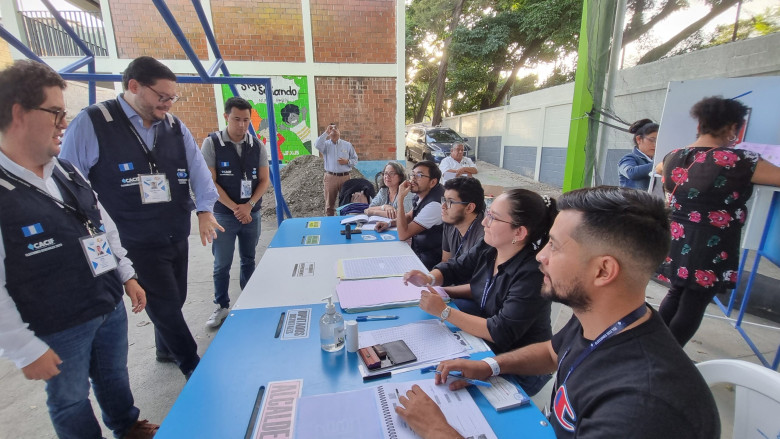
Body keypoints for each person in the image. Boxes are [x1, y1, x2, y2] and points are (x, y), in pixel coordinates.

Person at [395, 186, 720, 439]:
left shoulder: (641, 408)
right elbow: (553, 352)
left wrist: (437, 430)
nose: (541, 257)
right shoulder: (608, 318)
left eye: (555, 246)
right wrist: (489, 366)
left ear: (603, 270)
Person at [0, 60, 158, 438]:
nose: (64, 123)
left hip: (106, 305)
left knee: (114, 376)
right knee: (70, 399)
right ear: (19, 114)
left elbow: (103, 227)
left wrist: (127, 275)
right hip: (58, 326)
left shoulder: (65, 171)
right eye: (55, 112)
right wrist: (24, 349)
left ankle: (126, 426)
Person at [60, 56, 222, 379]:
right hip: (133, 239)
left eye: (172, 97)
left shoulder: (174, 127)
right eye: (162, 96)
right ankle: (195, 368)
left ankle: (165, 349)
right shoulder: (94, 123)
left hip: (175, 233)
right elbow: (68, 182)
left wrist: (205, 210)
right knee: (166, 307)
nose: (168, 103)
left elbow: (199, 171)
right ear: (134, 86)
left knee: (175, 298)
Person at [403, 189, 554, 395]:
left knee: (447, 388)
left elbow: (500, 331)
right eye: (487, 213)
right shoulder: (489, 245)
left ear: (519, 232)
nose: (484, 222)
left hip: (518, 363)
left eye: (493, 217)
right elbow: (457, 267)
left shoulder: (532, 274)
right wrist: (429, 278)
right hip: (486, 339)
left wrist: (444, 311)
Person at [656, 96, 780, 346]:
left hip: (678, 237)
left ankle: (652, 348)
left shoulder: (674, 156)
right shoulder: (740, 160)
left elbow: (659, 169)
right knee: (695, 301)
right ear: (733, 127)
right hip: (711, 243)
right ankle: (668, 357)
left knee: (676, 292)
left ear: (699, 124)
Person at [200, 97, 270, 328]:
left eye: (246, 120)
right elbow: (210, 182)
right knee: (222, 263)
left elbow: (264, 180)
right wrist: (235, 208)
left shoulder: (257, 145)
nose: (242, 125)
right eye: (236, 119)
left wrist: (249, 205)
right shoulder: (212, 144)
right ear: (226, 117)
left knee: (248, 259)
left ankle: (249, 301)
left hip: (251, 214)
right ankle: (221, 305)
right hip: (223, 215)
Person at [376, 161, 444, 270]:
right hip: (419, 253)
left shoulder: (434, 205)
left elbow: (403, 235)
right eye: (412, 174)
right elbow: (410, 216)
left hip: (428, 263)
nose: (413, 179)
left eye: (419, 175)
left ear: (432, 182)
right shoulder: (423, 194)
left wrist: (400, 198)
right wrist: (389, 223)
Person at [439, 177, 485, 263]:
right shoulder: (450, 223)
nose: (443, 206)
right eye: (444, 200)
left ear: (469, 208)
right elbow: (445, 261)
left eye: (450, 202)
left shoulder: (484, 238)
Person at [315, 123, 358, 216]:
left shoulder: (347, 145)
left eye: (336, 129)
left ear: (339, 132)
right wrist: (326, 132)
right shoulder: (325, 145)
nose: (334, 130)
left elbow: (355, 160)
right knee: (329, 204)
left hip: (345, 177)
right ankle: (330, 222)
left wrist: (347, 161)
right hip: (330, 177)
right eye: (331, 129)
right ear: (329, 133)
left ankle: (343, 221)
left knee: (345, 202)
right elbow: (316, 144)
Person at [618, 119, 658, 190]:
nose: (655, 145)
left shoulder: (656, 159)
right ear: (639, 139)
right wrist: (658, 166)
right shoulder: (629, 158)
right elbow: (630, 172)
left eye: (658, 141)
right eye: (652, 140)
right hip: (632, 197)